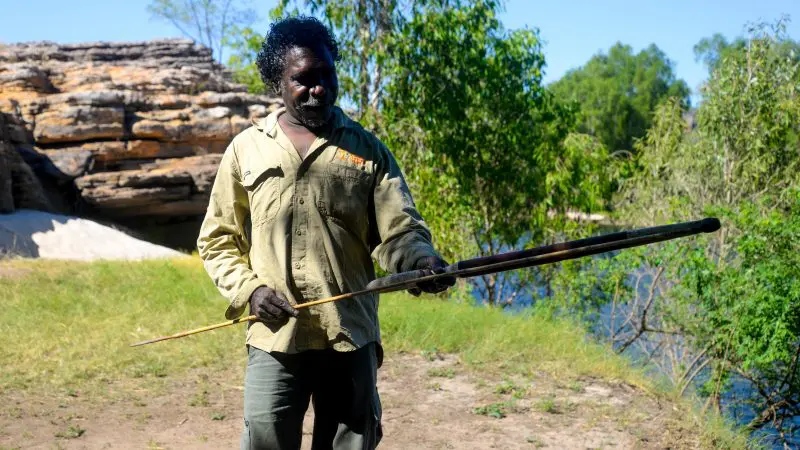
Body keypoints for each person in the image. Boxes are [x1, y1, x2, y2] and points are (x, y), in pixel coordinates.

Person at [197, 16, 454, 450]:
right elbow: (217, 239)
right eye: (303, 79)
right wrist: (251, 291)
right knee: (264, 438)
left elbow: (399, 232)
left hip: (349, 334)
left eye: (327, 75)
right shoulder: (245, 149)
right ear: (277, 81)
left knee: (350, 443)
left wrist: (422, 263)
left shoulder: (368, 150)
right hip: (274, 338)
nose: (318, 89)